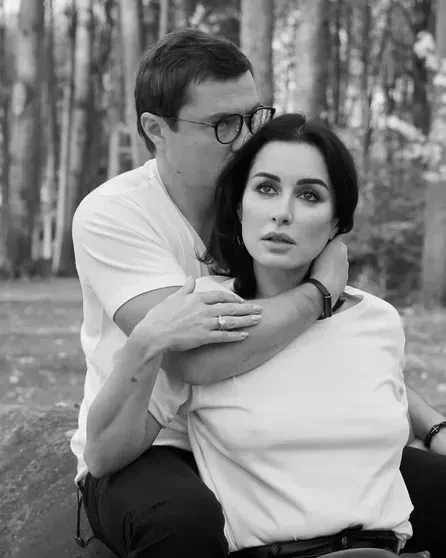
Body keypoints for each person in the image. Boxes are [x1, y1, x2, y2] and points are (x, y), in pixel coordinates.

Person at [71, 28, 446, 558]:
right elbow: (194, 358)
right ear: (156, 130)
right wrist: (320, 291)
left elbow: (348, 355)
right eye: (223, 124)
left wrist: (431, 426)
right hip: (153, 443)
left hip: (269, 436)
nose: (246, 138)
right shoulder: (115, 215)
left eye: (253, 117)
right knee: (183, 523)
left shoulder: (260, 215)